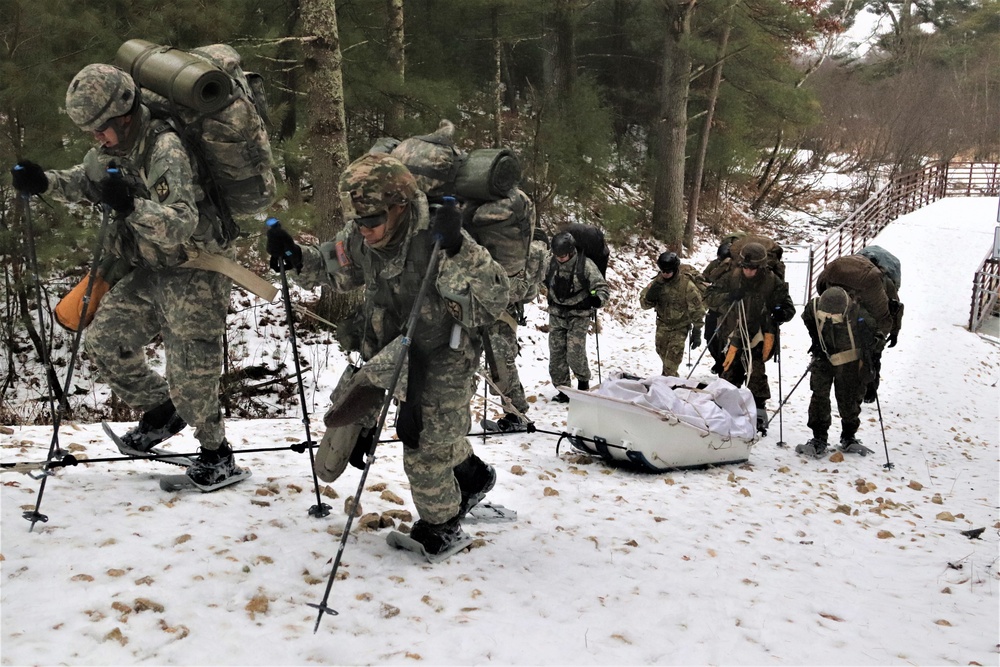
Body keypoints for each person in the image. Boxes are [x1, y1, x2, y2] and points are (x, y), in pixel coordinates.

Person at [11, 64, 245, 490]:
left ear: (124, 115)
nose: (95, 138)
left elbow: (180, 223)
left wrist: (130, 208)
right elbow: (89, 180)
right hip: (149, 266)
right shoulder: (111, 148)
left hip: (195, 269)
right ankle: (162, 410)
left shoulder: (166, 148)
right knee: (105, 340)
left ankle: (217, 453)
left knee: (192, 372)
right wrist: (45, 181)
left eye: (100, 128)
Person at [266, 152, 510, 557]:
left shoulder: (436, 238)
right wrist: (294, 256)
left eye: (373, 221)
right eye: (360, 222)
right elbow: (335, 267)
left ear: (399, 208)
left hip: (442, 354)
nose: (365, 231)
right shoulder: (363, 234)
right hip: (392, 349)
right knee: (360, 438)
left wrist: (456, 249)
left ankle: (443, 526)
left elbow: (492, 298)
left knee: (423, 448)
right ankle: (472, 476)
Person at [704, 241, 795, 434]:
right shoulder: (732, 277)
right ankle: (723, 410)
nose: (749, 271)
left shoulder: (772, 281)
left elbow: (789, 307)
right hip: (733, 333)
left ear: (761, 266)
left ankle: (759, 412)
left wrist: (781, 313)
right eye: (745, 267)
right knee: (729, 373)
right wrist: (728, 296)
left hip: (760, 335)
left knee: (756, 373)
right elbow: (709, 297)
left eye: (753, 268)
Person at [797, 286, 882, 457]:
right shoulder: (813, 308)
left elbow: (878, 340)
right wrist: (816, 340)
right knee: (819, 395)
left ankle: (849, 435)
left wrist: (871, 343)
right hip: (823, 357)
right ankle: (819, 437)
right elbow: (808, 319)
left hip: (850, 360)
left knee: (849, 397)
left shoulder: (860, 315)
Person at [483, 227, 549, 431]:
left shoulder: (520, 256)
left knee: (501, 363)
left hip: (502, 315)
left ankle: (516, 413)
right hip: (483, 311)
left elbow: (521, 291)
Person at [544, 230, 610, 403]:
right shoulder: (550, 263)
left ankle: (583, 384)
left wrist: (598, 299)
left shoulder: (586, 265)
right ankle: (563, 390)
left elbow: (602, 287)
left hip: (579, 314)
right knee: (556, 354)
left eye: (564, 255)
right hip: (557, 313)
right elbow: (539, 278)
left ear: (572, 251)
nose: (560, 259)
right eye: (557, 255)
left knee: (575, 353)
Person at [639, 251, 706, 377]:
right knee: (661, 353)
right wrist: (651, 295)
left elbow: (697, 309)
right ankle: (668, 382)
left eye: (668, 272)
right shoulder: (657, 282)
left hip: (680, 327)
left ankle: (670, 387)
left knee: (671, 364)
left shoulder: (686, 285)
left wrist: (697, 331)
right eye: (663, 271)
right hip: (662, 325)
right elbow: (644, 305)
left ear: (674, 270)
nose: (665, 274)